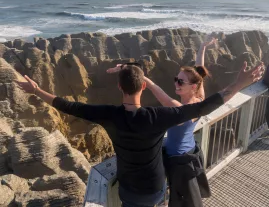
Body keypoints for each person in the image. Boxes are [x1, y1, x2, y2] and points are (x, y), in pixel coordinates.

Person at [17, 61, 263, 207]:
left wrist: (37, 90)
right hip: (156, 186)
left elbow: (67, 105)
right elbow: (202, 107)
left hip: (130, 190)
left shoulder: (108, 114)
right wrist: (239, 84)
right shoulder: (157, 116)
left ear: (118, 87)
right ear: (143, 86)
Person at [142, 37, 217, 207]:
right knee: (184, 196)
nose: (176, 83)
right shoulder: (199, 98)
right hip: (189, 150)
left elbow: (161, 95)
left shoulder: (181, 109)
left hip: (179, 161)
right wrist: (202, 47)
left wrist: (144, 79)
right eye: (176, 79)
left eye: (181, 81)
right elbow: (199, 71)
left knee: (181, 199)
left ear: (192, 86)